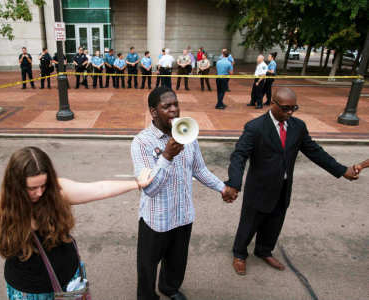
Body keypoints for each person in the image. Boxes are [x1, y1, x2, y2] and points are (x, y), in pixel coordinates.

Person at [0, 147, 154, 300]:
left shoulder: (56, 191)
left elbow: (98, 188)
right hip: (29, 292)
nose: (40, 193)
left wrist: (136, 184)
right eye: (32, 188)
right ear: (15, 184)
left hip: (71, 283)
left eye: (44, 185)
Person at [224, 87, 360, 276]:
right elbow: (239, 156)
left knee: (275, 222)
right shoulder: (255, 128)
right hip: (259, 188)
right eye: (286, 108)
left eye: (294, 108)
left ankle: (264, 250)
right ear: (273, 103)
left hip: (283, 187)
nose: (290, 113)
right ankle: (239, 254)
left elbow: (315, 152)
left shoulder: (298, 127)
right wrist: (234, 183)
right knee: (249, 224)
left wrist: (342, 170)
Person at [131, 87, 235, 300]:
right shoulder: (141, 142)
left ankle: (169, 288)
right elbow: (149, 188)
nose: (174, 110)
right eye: (166, 106)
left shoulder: (188, 134)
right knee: (147, 265)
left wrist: (222, 187)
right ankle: (147, 296)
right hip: (156, 219)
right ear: (153, 112)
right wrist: (167, 156)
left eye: (176, 104)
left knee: (177, 261)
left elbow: (199, 169)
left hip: (183, 215)